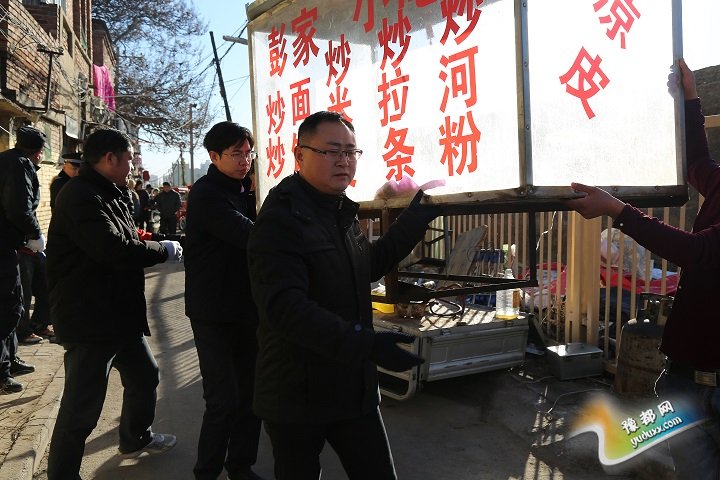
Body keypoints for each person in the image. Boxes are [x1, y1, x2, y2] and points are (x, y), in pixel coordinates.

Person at [247, 111, 440, 479]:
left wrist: (415, 218)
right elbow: (285, 308)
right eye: (331, 151)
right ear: (299, 155)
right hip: (295, 394)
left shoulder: (340, 210)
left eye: (351, 152)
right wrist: (365, 343)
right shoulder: (279, 220)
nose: (344, 161)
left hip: (352, 389)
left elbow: (367, 266)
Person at [564, 59, 718, 480]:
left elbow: (697, 251)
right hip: (688, 378)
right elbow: (696, 162)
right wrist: (689, 98)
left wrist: (617, 210)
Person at [45, 128, 183, 479]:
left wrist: (161, 241)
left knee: (144, 375)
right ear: (110, 159)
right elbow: (111, 248)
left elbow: (128, 237)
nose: (132, 167)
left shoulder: (110, 192)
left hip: (118, 313)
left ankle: (135, 437)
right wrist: (161, 251)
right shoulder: (80, 195)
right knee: (82, 407)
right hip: (89, 318)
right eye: (129, 160)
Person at [185, 121, 263, 480]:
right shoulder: (206, 194)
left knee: (251, 396)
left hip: (246, 308)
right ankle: (207, 473)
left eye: (248, 153)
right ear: (214, 156)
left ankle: (240, 467)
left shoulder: (245, 188)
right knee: (223, 400)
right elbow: (248, 234)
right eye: (236, 154)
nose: (245, 160)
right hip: (213, 312)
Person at [0, 126, 45, 394]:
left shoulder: (7, 160)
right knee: (8, 307)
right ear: (38, 152)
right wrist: (34, 233)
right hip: (4, 245)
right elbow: (19, 208)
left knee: (13, 304)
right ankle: (2, 373)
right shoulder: (20, 165)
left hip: (7, 244)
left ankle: (10, 359)